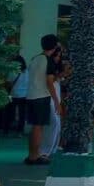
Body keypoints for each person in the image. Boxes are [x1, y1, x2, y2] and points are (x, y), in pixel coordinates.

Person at [25, 35, 61, 164]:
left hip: (31, 95)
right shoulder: (48, 60)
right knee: (38, 127)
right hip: (41, 97)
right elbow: (49, 82)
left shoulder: (35, 59)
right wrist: (57, 101)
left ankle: (31, 154)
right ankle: (35, 156)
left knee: (34, 126)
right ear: (55, 45)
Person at [9, 54, 29, 134]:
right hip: (24, 95)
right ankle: (20, 131)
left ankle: (8, 129)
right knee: (22, 114)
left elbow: (9, 83)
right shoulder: (27, 71)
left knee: (11, 112)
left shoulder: (13, 71)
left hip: (14, 94)